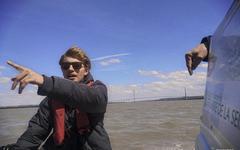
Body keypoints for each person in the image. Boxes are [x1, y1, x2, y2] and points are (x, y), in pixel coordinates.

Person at [1, 47, 112, 150]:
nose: (70, 69)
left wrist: (45, 81)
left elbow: (92, 99)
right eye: (65, 66)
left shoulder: (98, 89)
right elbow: (36, 131)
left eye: (76, 65)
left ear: (86, 70)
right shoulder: (51, 100)